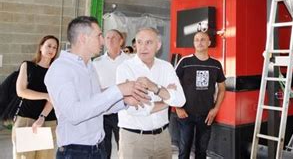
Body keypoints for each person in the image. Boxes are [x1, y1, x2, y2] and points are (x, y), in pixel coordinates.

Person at [44, 16, 150, 159]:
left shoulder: (89, 66)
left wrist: (124, 101)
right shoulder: (61, 69)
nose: (102, 40)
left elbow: (96, 103)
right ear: (83, 38)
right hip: (76, 151)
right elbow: (74, 114)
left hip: (97, 148)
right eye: (99, 35)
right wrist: (118, 90)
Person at [116, 27, 186, 159]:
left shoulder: (166, 67)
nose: (143, 47)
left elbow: (181, 100)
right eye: (139, 42)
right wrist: (167, 99)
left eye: (149, 42)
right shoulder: (125, 68)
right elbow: (135, 108)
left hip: (163, 138)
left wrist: (155, 88)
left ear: (158, 45)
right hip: (134, 139)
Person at [175, 31, 226, 159]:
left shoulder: (216, 64)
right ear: (193, 43)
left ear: (209, 43)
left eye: (203, 39)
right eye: (196, 40)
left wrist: (216, 109)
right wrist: (177, 108)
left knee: (202, 151)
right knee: (184, 149)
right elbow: (172, 85)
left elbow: (222, 89)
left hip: (206, 114)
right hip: (185, 113)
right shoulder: (185, 62)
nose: (199, 42)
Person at [12, 35, 59, 159]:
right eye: (49, 45)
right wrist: (46, 95)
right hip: (26, 119)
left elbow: (54, 98)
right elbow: (21, 91)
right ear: (40, 47)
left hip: (48, 120)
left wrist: (42, 117)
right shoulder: (27, 66)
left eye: (55, 47)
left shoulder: (56, 71)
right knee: (24, 157)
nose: (51, 49)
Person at [92, 30, 130, 159]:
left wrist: (109, 90)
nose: (110, 40)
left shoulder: (130, 61)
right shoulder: (96, 63)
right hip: (103, 112)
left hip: (124, 111)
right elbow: (94, 89)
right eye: (107, 37)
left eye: (114, 37)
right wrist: (119, 88)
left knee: (125, 148)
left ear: (121, 41)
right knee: (103, 149)